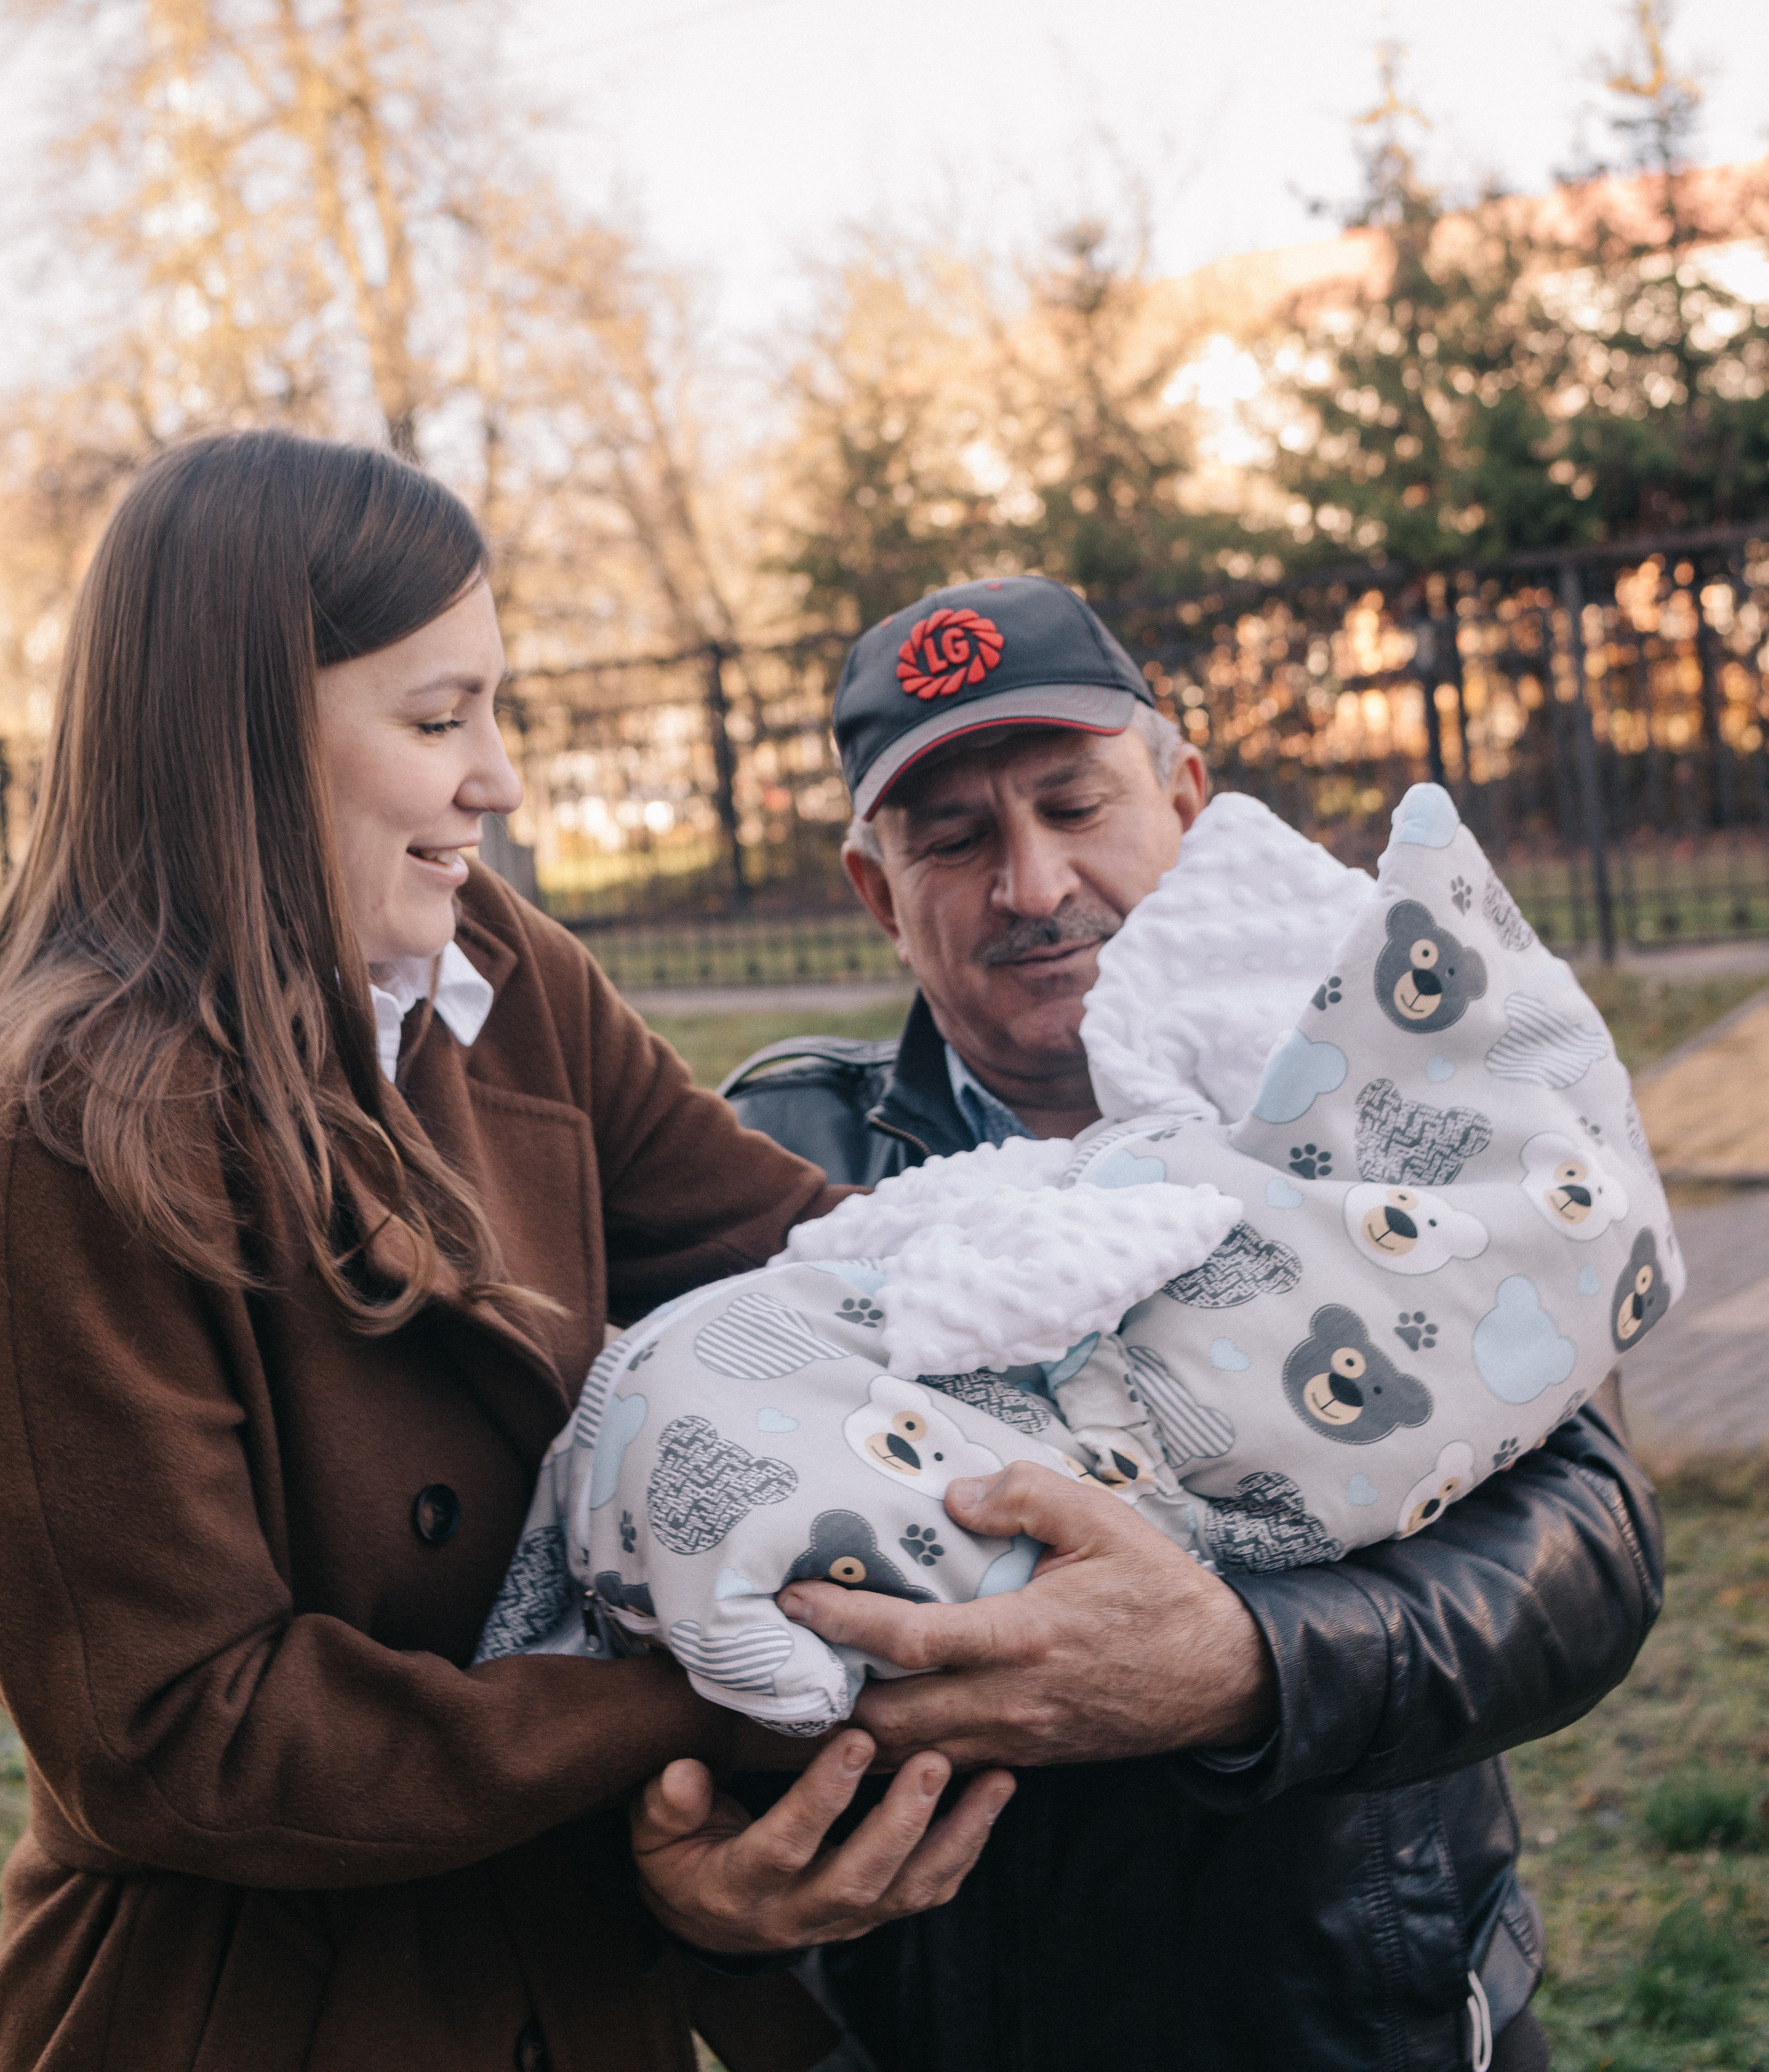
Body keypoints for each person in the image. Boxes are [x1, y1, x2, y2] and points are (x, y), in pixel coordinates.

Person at [0, 436, 1015, 2072]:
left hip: (578, 1968)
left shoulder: (498, 969)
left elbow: (806, 1264)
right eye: (435, 717)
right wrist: (704, 1689)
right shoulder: (65, 1131)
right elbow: (182, 1735)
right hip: (263, 2005)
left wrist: (1105, 1285)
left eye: (496, 706)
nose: (503, 778)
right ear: (246, 739)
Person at [723, 574, 1665, 2072]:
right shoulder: (776, 1163)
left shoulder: (1380, 1101)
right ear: (871, 890)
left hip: (1347, 2023)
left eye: (1072, 803)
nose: (1030, 886)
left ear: (1184, 797)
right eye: (953, 839)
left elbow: (1590, 1549)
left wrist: (1243, 1663)